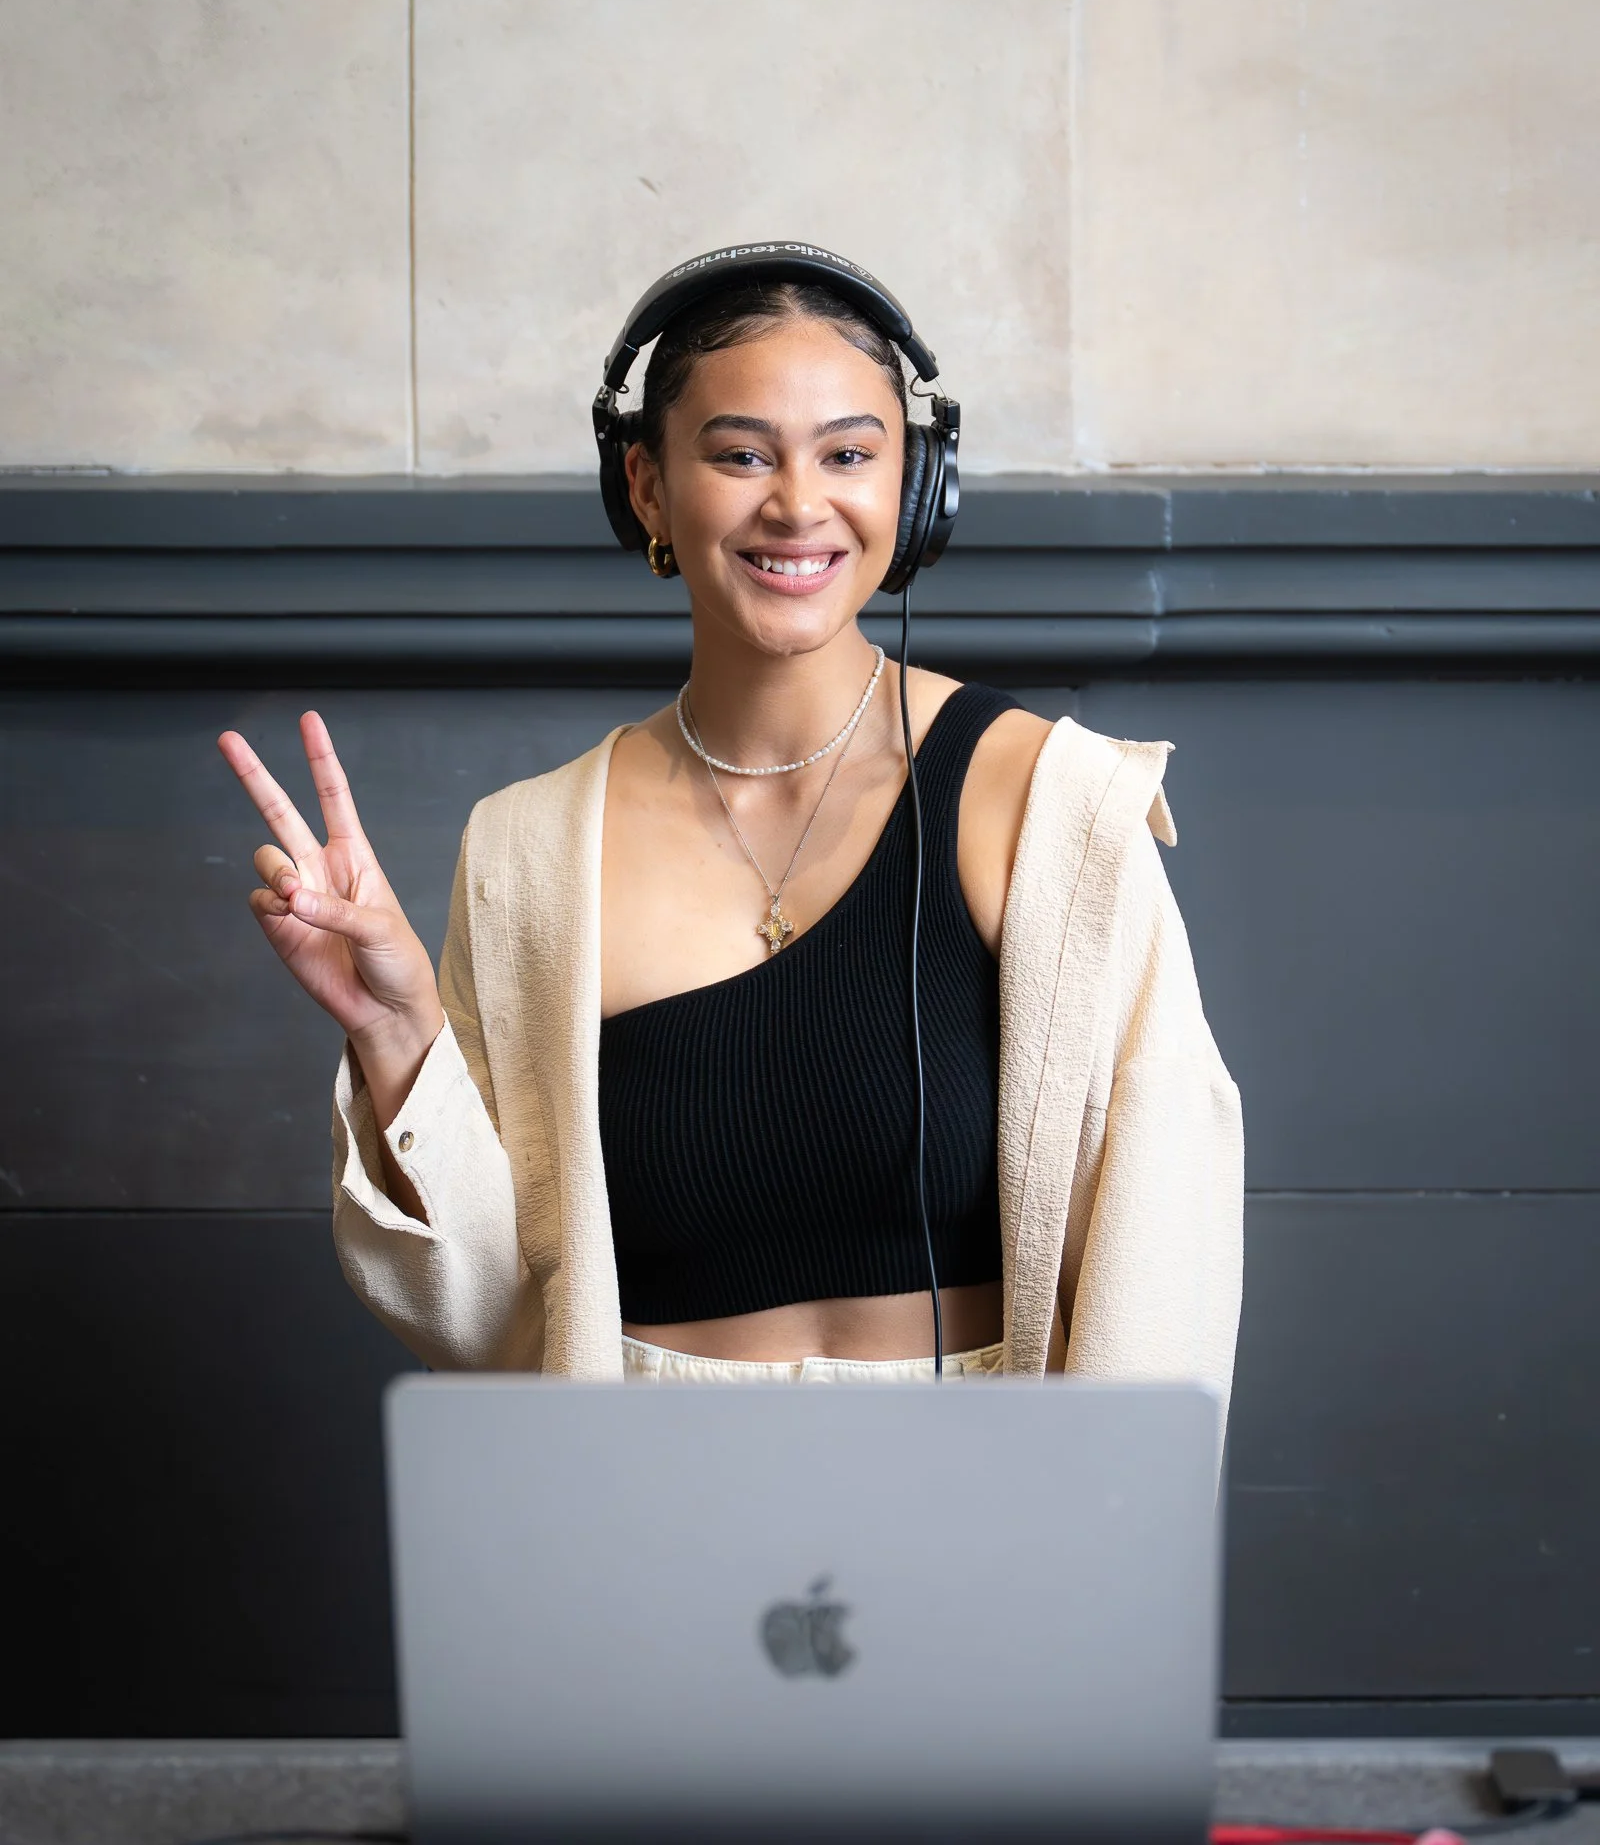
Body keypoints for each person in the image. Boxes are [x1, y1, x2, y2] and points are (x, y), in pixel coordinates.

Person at [217, 259, 1243, 1427]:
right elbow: (494, 1322)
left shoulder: (1055, 805)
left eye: (848, 454)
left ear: (917, 487)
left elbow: (1162, 1254)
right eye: (743, 454)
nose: (798, 504)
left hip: (987, 1485)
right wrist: (397, 1032)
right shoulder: (529, 848)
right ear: (646, 486)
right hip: (637, 1485)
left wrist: (1108, 1521)